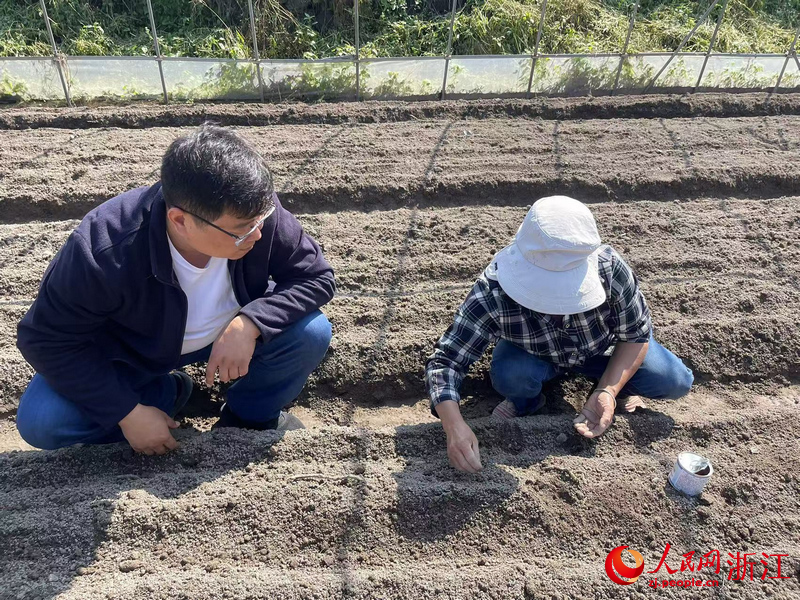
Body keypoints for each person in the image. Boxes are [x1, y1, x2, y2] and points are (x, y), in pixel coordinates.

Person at [16, 125, 335, 455]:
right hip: (131, 354)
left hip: (225, 336)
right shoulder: (104, 249)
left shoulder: (255, 213)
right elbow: (44, 339)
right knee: (43, 421)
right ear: (180, 220)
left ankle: (247, 417)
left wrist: (251, 323)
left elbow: (317, 277)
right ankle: (168, 394)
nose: (256, 235)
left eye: (261, 221)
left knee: (310, 332)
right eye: (241, 232)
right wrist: (126, 413)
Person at [424, 196, 693, 473]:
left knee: (674, 379)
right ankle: (526, 402)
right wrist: (454, 426)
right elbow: (446, 362)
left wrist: (608, 390)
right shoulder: (492, 291)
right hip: (533, 354)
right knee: (512, 376)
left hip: (601, 351)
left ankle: (612, 388)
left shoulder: (610, 268)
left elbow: (636, 335)